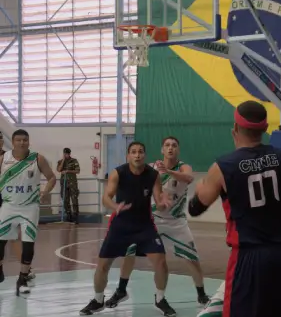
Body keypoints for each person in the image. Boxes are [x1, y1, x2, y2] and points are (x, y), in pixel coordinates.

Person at [188, 100, 281, 317]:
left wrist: (199, 190)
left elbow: (195, 208)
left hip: (249, 259)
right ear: (265, 129)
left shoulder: (222, 167)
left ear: (234, 129)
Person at [105, 136, 209, 309]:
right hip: (152, 220)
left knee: (192, 259)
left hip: (176, 222)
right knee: (130, 253)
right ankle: (121, 290)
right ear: (162, 150)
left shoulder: (183, 167)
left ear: (178, 149)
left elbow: (188, 178)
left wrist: (168, 173)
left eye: (174, 145)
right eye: (167, 145)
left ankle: (201, 295)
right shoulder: (151, 168)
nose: (170, 148)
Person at [79, 141, 177, 317]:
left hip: (144, 225)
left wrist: (163, 204)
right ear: (128, 155)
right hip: (121, 225)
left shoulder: (153, 175)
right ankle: (98, 300)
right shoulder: (118, 173)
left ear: (144, 155)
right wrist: (115, 206)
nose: (137, 155)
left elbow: (159, 200)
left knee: (161, 262)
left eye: (140, 151)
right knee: (102, 266)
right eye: (133, 152)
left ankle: (160, 299)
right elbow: (106, 197)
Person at [0, 129, 56, 295]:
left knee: (28, 244)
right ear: (14, 142)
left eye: (25, 140)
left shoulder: (38, 158)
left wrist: (45, 191)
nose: (22, 143)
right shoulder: (4, 159)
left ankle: (22, 279)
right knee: (1, 242)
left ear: (29, 142)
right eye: (18, 140)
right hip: (8, 206)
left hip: (30, 207)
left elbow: (52, 177)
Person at [57, 148, 80, 224]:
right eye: (64, 153)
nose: (65, 155)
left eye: (66, 154)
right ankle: (68, 216)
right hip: (64, 183)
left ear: (69, 154)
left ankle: (75, 217)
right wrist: (63, 160)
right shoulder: (60, 161)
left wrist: (68, 171)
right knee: (65, 200)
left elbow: (77, 171)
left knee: (74, 200)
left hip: (72, 184)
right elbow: (59, 169)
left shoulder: (74, 161)